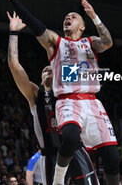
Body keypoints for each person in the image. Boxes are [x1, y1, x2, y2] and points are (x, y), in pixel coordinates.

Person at [0, 0, 119, 185]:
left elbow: (108, 42)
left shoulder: (90, 42)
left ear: (82, 27)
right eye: (66, 17)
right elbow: (34, 27)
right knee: (71, 137)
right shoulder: (54, 48)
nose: (68, 18)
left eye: (73, 17)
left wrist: (94, 16)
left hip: (90, 107)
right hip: (55, 145)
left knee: (113, 156)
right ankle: (58, 179)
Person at [6, 12, 99, 185]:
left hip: (76, 150)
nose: (48, 70)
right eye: (44, 70)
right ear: (40, 79)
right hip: (50, 156)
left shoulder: (68, 90)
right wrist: (13, 33)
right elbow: (13, 65)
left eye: (51, 68)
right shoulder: (35, 95)